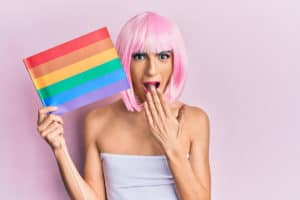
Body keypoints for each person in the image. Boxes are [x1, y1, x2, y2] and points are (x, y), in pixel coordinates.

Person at [37, 11, 211, 200]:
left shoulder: (194, 120)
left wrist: (172, 148)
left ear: (175, 62)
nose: (151, 70)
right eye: (139, 56)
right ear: (125, 61)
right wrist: (59, 149)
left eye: (162, 56)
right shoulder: (97, 121)